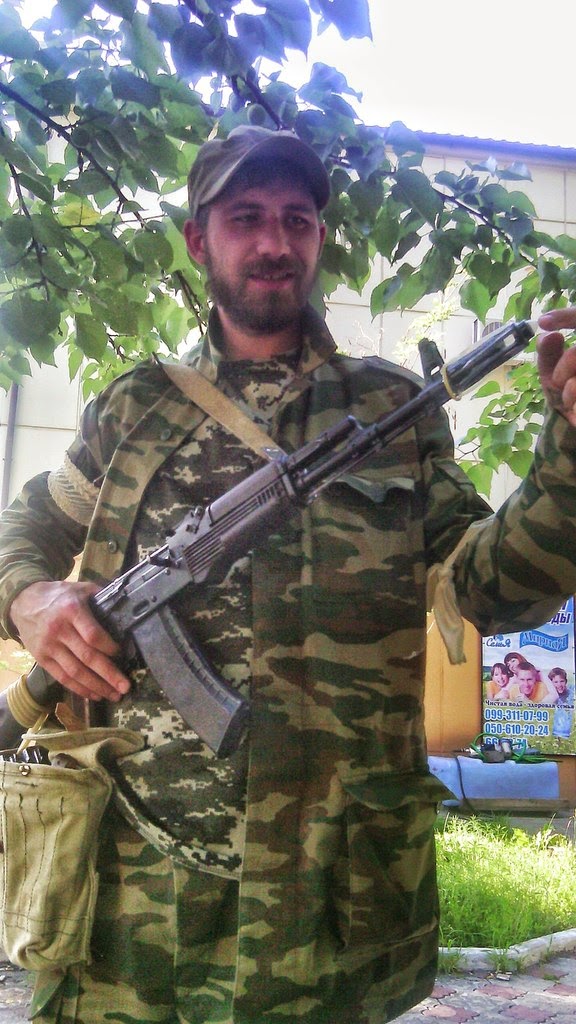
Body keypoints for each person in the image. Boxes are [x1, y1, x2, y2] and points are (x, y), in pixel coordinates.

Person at [2, 125, 576, 1024]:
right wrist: (29, 597)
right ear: (199, 240)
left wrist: (569, 454)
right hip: (133, 896)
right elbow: (31, 524)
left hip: (330, 895)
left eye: (296, 219)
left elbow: (492, 587)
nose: (274, 241)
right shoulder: (134, 408)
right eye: (246, 217)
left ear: (318, 239)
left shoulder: (393, 409)